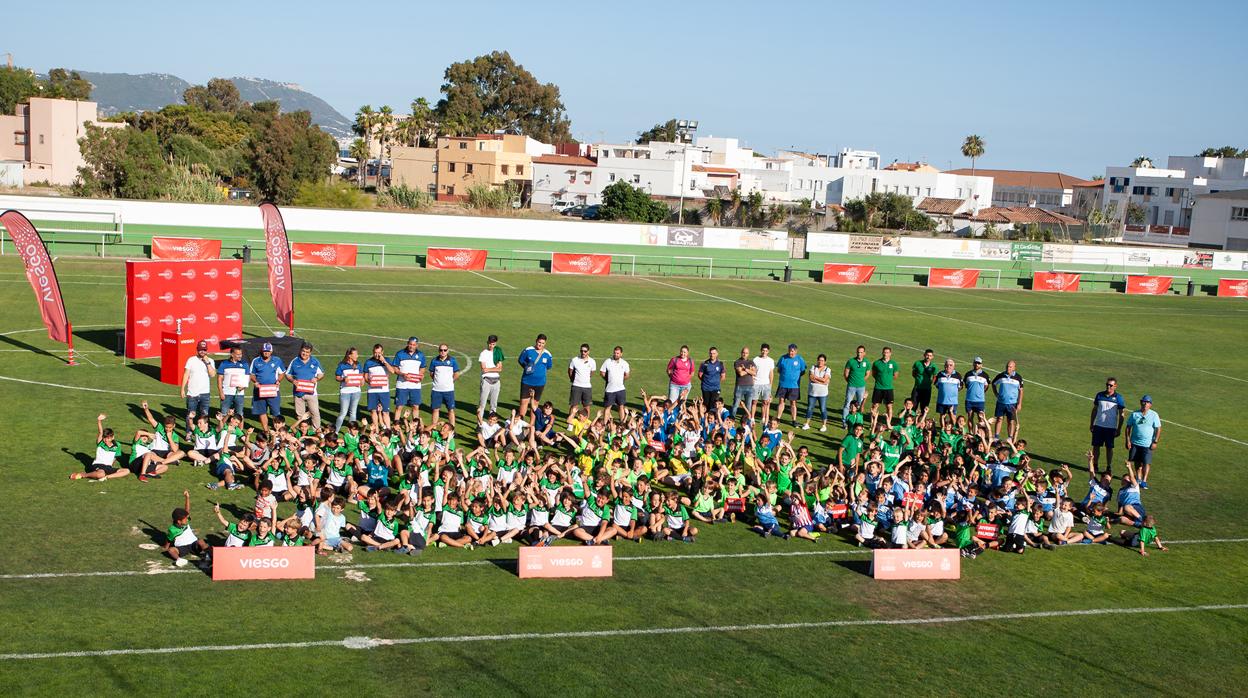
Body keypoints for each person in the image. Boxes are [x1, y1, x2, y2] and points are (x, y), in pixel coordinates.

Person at [71, 413, 132, 481]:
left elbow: (116, 457)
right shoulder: (100, 443)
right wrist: (99, 421)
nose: (106, 440)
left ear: (112, 437)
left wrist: (111, 465)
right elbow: (100, 432)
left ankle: (106, 477)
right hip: (98, 465)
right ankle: (84, 475)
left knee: (127, 471)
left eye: (108, 438)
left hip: (108, 467)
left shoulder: (117, 445)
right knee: (100, 474)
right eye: (104, 438)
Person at [164, 490, 210, 568]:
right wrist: (166, 547)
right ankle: (179, 559)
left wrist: (187, 497)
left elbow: (187, 510)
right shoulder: (172, 529)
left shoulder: (184, 521)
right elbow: (168, 541)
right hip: (182, 548)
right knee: (171, 550)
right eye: (185, 519)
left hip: (193, 544)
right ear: (179, 521)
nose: (187, 519)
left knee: (201, 541)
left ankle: (208, 555)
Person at [1090, 377, 1126, 475]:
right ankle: (1095, 464)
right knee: (1096, 446)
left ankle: (1108, 467)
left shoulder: (1119, 398)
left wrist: (1119, 428)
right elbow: (1094, 410)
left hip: (1110, 428)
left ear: (1115, 386)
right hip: (1098, 426)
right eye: (1107, 384)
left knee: (1109, 448)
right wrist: (1092, 423)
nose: (1108, 387)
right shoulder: (1099, 395)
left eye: (1110, 385)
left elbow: (1122, 414)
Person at [1124, 395, 1161, 489]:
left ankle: (1144, 480)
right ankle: (1138, 478)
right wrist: (1128, 440)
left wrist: (1155, 441)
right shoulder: (1135, 414)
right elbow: (1128, 427)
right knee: (1136, 461)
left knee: (1146, 462)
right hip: (1135, 442)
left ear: (1150, 404)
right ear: (1141, 402)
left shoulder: (1154, 415)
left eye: (1148, 402)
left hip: (1147, 444)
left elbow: (1158, 428)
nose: (1145, 404)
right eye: (1144, 401)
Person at [248, 342, 286, 432]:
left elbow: (282, 372)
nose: (266, 352)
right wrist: (255, 381)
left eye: (268, 351)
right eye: (265, 351)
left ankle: (278, 431)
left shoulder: (277, 360)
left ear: (271, 351)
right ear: (262, 350)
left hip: (273, 390)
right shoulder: (256, 361)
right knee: (262, 411)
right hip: (259, 390)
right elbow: (252, 374)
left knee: (276, 412)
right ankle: (266, 431)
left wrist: (278, 381)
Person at [286, 342, 324, 429]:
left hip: (312, 393)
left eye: (307, 352)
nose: (305, 354)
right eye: (303, 351)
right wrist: (293, 380)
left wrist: (317, 379)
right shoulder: (294, 361)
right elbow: (288, 374)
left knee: (315, 413)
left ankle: (316, 431)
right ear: (300, 350)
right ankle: (303, 431)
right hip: (298, 393)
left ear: (310, 353)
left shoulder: (315, 361)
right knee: (300, 415)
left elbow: (321, 373)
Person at [181, 340, 216, 430]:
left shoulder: (210, 361)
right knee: (190, 414)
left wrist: (207, 363)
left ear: (207, 350)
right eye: (200, 349)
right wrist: (182, 389)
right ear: (197, 349)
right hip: (192, 393)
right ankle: (188, 432)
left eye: (204, 350)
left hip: (205, 393)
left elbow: (212, 375)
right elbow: (186, 374)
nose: (202, 352)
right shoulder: (191, 360)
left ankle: (204, 431)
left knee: (204, 414)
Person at [517, 334, 553, 419]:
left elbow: (548, 366)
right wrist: (527, 367)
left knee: (535, 404)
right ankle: (520, 422)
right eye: (539, 342)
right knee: (524, 402)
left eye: (542, 343)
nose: (540, 345)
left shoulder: (547, 354)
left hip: (540, 383)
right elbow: (520, 360)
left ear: (545, 343)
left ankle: (532, 424)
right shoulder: (528, 350)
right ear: (536, 341)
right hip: (527, 381)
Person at [428, 343, 462, 428]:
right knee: (435, 409)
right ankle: (434, 428)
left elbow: (457, 373)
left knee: (451, 410)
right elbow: (431, 373)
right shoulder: (434, 360)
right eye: (441, 350)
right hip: (436, 390)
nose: (443, 352)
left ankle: (452, 429)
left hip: (448, 390)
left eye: (445, 350)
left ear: (448, 351)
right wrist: (437, 380)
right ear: (438, 351)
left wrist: (451, 381)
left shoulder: (452, 360)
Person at [392, 337, 426, 423]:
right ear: (407, 344)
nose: (412, 346)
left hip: (415, 385)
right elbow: (395, 368)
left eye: (414, 345)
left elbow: (422, 368)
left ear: (417, 345)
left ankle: (415, 426)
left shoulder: (421, 355)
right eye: (410, 344)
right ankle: (396, 425)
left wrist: (421, 375)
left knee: (415, 406)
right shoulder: (400, 354)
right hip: (402, 385)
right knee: (399, 406)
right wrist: (402, 374)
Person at [362, 344, 396, 428]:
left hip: (384, 390)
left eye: (379, 353)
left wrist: (384, 361)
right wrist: (369, 381)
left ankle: (388, 429)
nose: (377, 355)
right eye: (375, 353)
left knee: (385, 412)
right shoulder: (368, 362)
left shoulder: (387, 360)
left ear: (382, 352)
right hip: (372, 390)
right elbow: (365, 376)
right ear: (373, 352)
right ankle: (376, 430)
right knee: (373, 411)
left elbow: (392, 371)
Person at [991, 360, 1024, 441]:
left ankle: (1010, 437)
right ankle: (996, 437)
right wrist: (996, 394)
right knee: (999, 419)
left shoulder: (1018, 378)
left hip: (1012, 404)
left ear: (1014, 368)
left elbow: (1021, 391)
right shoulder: (1001, 376)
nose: (1008, 368)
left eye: (1010, 367)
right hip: (1001, 402)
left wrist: (1019, 404)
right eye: (1007, 366)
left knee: (1011, 421)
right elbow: (993, 384)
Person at [775, 343, 807, 427]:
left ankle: (794, 420)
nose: (790, 353)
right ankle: (778, 418)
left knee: (793, 403)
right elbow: (779, 370)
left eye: (792, 351)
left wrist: (795, 377)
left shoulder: (799, 359)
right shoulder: (783, 358)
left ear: (796, 351)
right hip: (783, 384)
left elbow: (803, 371)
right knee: (781, 401)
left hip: (794, 386)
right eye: (789, 351)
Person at [333, 347, 363, 432]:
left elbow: (361, 376)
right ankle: (336, 431)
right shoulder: (342, 365)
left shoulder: (358, 365)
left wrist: (362, 381)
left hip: (356, 391)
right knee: (343, 413)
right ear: (350, 355)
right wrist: (343, 379)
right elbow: (337, 377)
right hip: (345, 392)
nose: (357, 355)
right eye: (355, 354)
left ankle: (351, 432)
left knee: (353, 413)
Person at [869, 346, 899, 430]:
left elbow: (895, 375)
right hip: (878, 387)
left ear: (890, 353)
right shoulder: (877, 363)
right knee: (875, 406)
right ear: (882, 353)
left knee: (889, 407)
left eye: (887, 352)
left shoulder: (894, 364)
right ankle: (872, 424)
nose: (885, 354)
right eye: (884, 352)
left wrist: (887, 381)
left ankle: (888, 425)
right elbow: (874, 374)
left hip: (889, 388)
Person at [568, 343, 596, 424]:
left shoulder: (592, 361)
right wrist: (573, 380)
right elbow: (570, 371)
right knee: (574, 405)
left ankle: (585, 423)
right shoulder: (575, 360)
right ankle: (570, 423)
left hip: (587, 387)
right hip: (576, 386)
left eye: (585, 351)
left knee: (587, 406)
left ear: (588, 352)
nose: (583, 353)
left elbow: (592, 373)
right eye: (581, 351)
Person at [599, 346, 630, 421]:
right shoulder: (608, 361)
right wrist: (608, 380)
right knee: (607, 407)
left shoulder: (624, 363)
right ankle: (604, 424)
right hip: (610, 389)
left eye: (618, 353)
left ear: (621, 354)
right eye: (615, 353)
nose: (616, 354)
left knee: (621, 407)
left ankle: (622, 424)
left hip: (621, 389)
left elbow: (627, 375)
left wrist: (621, 381)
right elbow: (602, 372)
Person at [842, 345, 869, 429]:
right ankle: (845, 422)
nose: (859, 354)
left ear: (864, 353)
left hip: (861, 387)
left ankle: (859, 422)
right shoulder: (851, 361)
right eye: (858, 352)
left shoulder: (867, 362)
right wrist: (850, 382)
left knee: (860, 405)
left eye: (861, 352)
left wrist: (862, 381)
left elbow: (868, 374)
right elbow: (846, 374)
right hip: (851, 386)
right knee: (847, 404)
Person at [216, 345, 248, 418]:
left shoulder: (245, 364)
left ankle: (240, 430)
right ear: (232, 354)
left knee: (239, 414)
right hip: (226, 393)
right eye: (238, 354)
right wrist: (221, 391)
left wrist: (243, 387)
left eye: (241, 354)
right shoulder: (224, 364)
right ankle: (223, 429)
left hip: (239, 394)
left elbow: (247, 378)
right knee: (224, 413)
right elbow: (219, 378)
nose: (240, 356)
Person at [802, 354, 831, 432]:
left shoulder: (828, 369)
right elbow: (811, 378)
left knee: (823, 409)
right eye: (819, 360)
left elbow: (825, 379)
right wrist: (822, 381)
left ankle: (824, 425)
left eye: (822, 360)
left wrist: (817, 378)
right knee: (810, 408)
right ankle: (807, 424)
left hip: (823, 394)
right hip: (812, 393)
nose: (820, 362)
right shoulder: (813, 367)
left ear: (825, 362)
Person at [477, 335, 503, 420]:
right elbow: (484, 369)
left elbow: (500, 369)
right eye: (490, 344)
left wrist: (488, 369)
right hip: (486, 381)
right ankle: (479, 424)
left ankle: (492, 423)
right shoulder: (483, 353)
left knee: (494, 404)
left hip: (496, 381)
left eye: (493, 344)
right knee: (482, 404)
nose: (491, 346)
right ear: (487, 342)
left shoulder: (498, 352)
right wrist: (494, 369)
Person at [933, 358, 962, 429]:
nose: (948, 366)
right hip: (941, 400)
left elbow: (960, 387)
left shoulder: (958, 375)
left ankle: (954, 429)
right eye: (947, 365)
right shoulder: (940, 374)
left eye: (950, 365)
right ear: (944, 366)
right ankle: (943, 429)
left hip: (953, 401)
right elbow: (937, 385)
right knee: (942, 416)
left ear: (953, 366)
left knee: (953, 416)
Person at [910, 349, 937, 421]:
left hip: (927, 389)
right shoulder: (917, 363)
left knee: (924, 407)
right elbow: (914, 373)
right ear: (924, 355)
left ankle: (922, 422)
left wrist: (931, 382)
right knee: (913, 405)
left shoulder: (934, 366)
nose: (928, 357)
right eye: (927, 355)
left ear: (932, 357)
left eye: (930, 356)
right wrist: (918, 380)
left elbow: (935, 376)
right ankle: (911, 421)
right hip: (917, 388)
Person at [963, 357, 990, 430]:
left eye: (979, 363)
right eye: (975, 363)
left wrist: (980, 392)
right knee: (970, 417)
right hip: (969, 400)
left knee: (981, 418)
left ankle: (980, 434)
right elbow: (967, 385)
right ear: (973, 363)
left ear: (981, 365)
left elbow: (986, 386)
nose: (977, 364)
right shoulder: (968, 374)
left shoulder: (985, 375)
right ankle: (971, 433)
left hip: (980, 401)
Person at [752, 344, 776, 426]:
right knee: (754, 401)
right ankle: (752, 418)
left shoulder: (771, 361)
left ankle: (763, 418)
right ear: (760, 350)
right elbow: (753, 371)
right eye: (763, 350)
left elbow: (771, 374)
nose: (764, 352)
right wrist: (752, 380)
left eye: (766, 351)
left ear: (768, 351)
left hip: (766, 384)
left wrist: (770, 384)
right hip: (756, 383)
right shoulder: (756, 359)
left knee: (765, 402)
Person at [732, 346, 757, 421]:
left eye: (746, 353)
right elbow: (741, 373)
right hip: (740, 386)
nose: (744, 354)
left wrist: (745, 369)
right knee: (736, 404)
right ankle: (732, 418)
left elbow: (754, 373)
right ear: (741, 353)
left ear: (748, 354)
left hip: (750, 386)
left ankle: (746, 419)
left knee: (748, 405)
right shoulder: (737, 362)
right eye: (743, 352)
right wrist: (749, 370)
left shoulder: (751, 362)